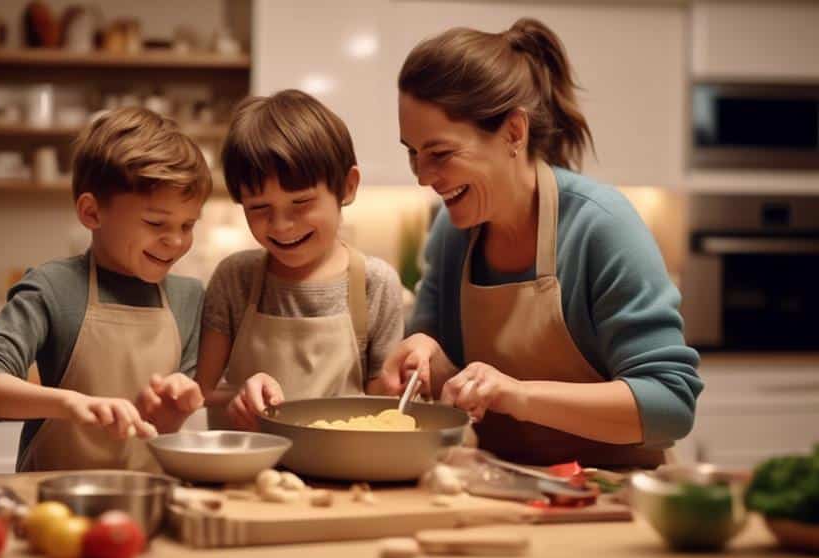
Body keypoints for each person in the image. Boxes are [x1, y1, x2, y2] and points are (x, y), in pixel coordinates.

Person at [380, 20, 702, 467]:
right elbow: (444, 370)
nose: (422, 176)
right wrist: (425, 358)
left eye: (440, 153)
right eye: (412, 152)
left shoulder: (601, 226)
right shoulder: (452, 233)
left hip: (606, 497)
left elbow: (670, 406)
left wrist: (518, 395)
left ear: (513, 132)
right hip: (497, 487)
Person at [0, 107, 209, 471]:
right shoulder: (52, 289)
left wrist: (177, 409)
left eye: (188, 225)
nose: (176, 241)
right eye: (155, 223)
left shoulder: (190, 298)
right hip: (54, 506)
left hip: (149, 500)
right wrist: (70, 404)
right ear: (91, 213)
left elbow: (184, 416)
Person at [197, 89, 405, 430]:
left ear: (348, 187)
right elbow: (200, 393)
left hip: (346, 475)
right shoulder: (235, 278)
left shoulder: (374, 283)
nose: (281, 226)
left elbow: (385, 409)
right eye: (259, 208)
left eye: (301, 204)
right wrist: (237, 398)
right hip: (246, 471)